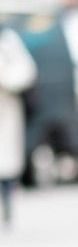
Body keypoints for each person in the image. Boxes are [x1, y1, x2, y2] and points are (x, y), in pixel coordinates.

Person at [0, 19, 37, 228]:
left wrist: (5, 78)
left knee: (5, 162)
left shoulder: (8, 40)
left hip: (6, 108)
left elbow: (25, 71)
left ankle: (6, 204)